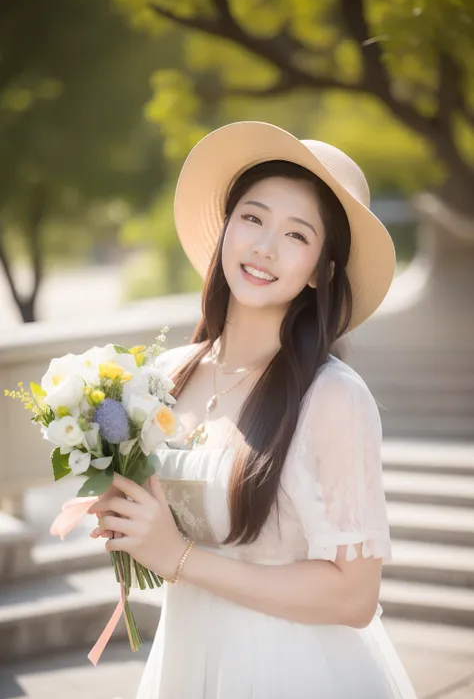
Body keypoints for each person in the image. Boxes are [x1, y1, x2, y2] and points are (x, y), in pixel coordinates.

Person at [90, 121, 418, 698]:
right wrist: (127, 517)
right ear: (225, 230)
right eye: (252, 217)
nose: (264, 246)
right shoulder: (166, 376)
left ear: (322, 270)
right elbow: (167, 533)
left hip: (290, 669)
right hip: (185, 661)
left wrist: (181, 557)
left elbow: (355, 597)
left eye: (297, 235)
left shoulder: (333, 397)